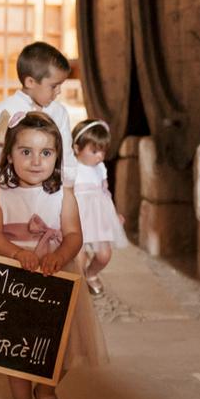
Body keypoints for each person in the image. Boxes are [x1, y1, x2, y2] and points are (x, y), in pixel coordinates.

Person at [0, 111, 107, 399]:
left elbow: (74, 235)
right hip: (15, 277)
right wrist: (16, 253)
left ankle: (47, 389)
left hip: (55, 276)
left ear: (57, 157)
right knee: (15, 343)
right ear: (9, 155)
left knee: (59, 342)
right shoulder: (1, 193)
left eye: (46, 153)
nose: (36, 161)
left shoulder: (62, 195)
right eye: (26, 151)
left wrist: (60, 255)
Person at [0, 41, 76, 186]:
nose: (59, 91)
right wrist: (12, 153)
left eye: (60, 85)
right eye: (54, 86)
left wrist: (68, 183)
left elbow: (66, 153)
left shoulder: (59, 112)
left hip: (48, 186)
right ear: (30, 82)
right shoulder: (3, 110)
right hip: (11, 186)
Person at [71, 119, 128, 296]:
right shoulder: (71, 168)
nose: (100, 156)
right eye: (94, 151)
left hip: (98, 217)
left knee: (104, 255)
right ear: (77, 148)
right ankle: (79, 281)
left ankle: (91, 273)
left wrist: (113, 214)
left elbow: (105, 194)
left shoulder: (100, 168)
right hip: (77, 218)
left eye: (103, 151)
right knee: (78, 258)